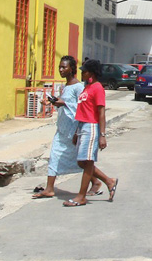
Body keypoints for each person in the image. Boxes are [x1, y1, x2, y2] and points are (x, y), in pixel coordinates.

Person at [32, 56, 103, 199]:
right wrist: (53, 102)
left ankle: (100, 181)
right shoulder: (66, 87)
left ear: (72, 69)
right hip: (62, 130)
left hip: (74, 130)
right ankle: (49, 188)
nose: (61, 70)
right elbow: (65, 103)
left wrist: (64, 104)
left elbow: (81, 107)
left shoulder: (79, 87)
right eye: (60, 67)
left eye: (64, 67)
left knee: (82, 161)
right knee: (55, 156)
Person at [63, 59, 118, 207]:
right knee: (81, 161)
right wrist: (76, 132)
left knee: (87, 162)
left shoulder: (97, 88)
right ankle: (108, 181)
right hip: (82, 127)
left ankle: (81, 196)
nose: (82, 73)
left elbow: (101, 113)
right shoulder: (87, 87)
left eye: (84, 71)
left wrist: (102, 135)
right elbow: (82, 110)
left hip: (91, 128)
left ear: (91, 73)